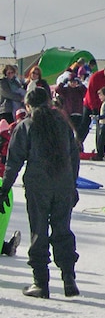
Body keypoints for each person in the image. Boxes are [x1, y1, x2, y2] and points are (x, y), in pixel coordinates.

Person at [0, 87, 80, 298]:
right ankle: (69, 279)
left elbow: (13, 162)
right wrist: (72, 185)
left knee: (39, 231)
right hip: (63, 184)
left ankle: (41, 283)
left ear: (28, 106)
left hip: (38, 186)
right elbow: (74, 156)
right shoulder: (62, 123)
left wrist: (4, 190)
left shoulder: (26, 125)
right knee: (62, 230)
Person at [55, 77, 87, 150]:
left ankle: (78, 147)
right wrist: (62, 83)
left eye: (75, 82)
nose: (73, 84)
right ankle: (70, 147)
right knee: (69, 131)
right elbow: (57, 90)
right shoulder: (66, 90)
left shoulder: (79, 90)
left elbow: (85, 91)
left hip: (78, 113)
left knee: (78, 131)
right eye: (71, 82)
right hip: (69, 113)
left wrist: (81, 84)